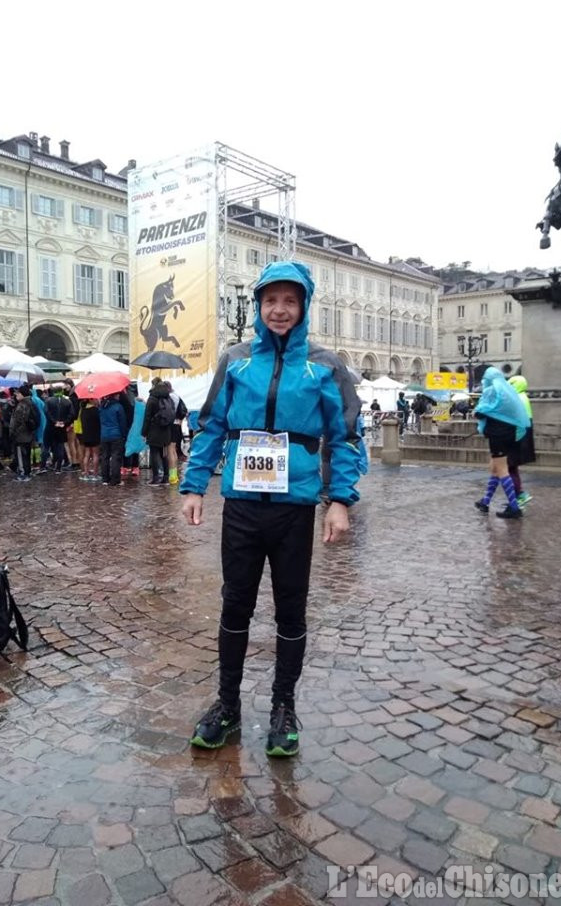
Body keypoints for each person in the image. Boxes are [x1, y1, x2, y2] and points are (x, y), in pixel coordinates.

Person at [180, 261, 363, 757]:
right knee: (234, 604)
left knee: (290, 608)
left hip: (294, 510)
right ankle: (227, 705)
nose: (279, 310)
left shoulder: (325, 365)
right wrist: (194, 485)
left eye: (290, 301)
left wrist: (340, 500)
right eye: (270, 301)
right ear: (259, 306)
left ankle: (284, 706)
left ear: (303, 306)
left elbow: (345, 436)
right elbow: (212, 424)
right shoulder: (236, 360)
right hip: (241, 505)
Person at [474, 367, 530, 519]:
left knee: (501, 469)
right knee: (494, 468)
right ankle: (485, 502)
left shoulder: (491, 391)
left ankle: (514, 506)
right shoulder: (508, 392)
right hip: (511, 434)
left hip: (497, 435)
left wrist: (477, 413)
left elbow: (481, 412)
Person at [507, 375, 535, 508]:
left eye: (511, 384)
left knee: (509, 467)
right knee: (512, 468)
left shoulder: (517, 398)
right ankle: (517, 495)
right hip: (523, 437)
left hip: (517, 437)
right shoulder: (524, 397)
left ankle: (518, 496)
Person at [142, 378, 173, 486]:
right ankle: (165, 478)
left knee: (154, 454)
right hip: (166, 431)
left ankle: (155, 478)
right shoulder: (168, 397)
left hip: (154, 430)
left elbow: (147, 416)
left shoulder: (152, 398)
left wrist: (144, 432)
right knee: (164, 454)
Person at [99, 392, 131, 486]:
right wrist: (124, 435)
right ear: (115, 395)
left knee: (105, 457)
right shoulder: (118, 406)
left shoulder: (102, 406)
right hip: (116, 435)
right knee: (116, 457)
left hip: (104, 435)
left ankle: (105, 479)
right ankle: (115, 479)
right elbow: (122, 423)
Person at [9, 384, 39, 481]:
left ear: (22, 394)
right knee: (27, 454)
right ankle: (27, 472)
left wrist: (13, 432)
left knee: (21, 455)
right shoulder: (31, 402)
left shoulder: (22, 405)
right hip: (29, 433)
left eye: (18, 393)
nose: (16, 395)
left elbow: (16, 421)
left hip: (21, 435)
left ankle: (23, 474)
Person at [45, 387, 73, 471]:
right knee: (60, 446)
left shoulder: (48, 401)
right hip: (62, 427)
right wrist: (64, 422)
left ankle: (54, 463)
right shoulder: (67, 401)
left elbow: (46, 412)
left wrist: (54, 422)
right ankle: (59, 467)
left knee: (53, 446)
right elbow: (72, 414)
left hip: (51, 427)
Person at [80, 399, 101, 481]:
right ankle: (95, 475)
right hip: (95, 435)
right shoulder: (96, 410)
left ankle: (86, 474)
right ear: (92, 400)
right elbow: (99, 422)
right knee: (96, 454)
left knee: (87, 454)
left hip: (85, 435)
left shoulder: (83, 410)